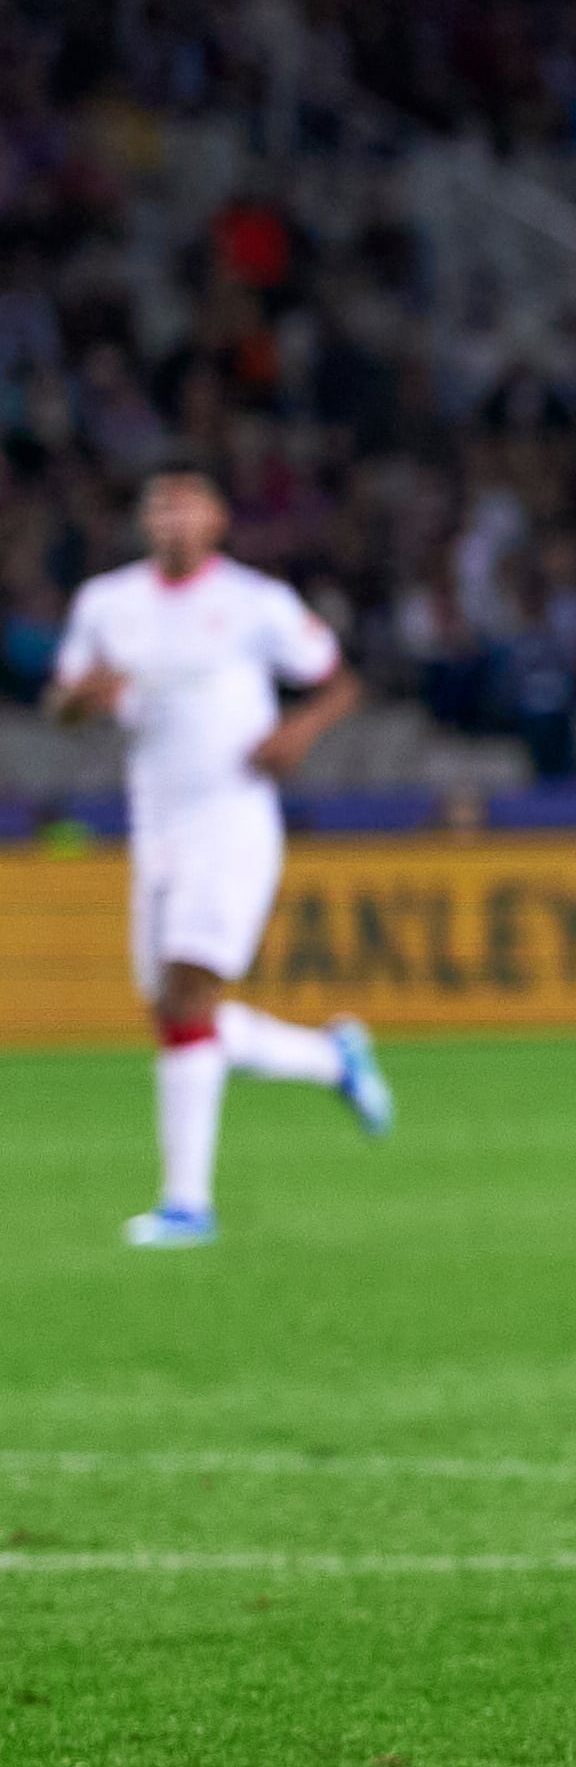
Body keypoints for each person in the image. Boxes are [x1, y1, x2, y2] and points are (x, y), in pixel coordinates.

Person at [48, 459, 394, 1246]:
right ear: (144, 523)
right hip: (156, 826)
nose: (170, 520)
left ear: (215, 521)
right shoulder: (108, 604)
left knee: (187, 994)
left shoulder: (254, 602)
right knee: (178, 1013)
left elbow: (339, 683)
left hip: (233, 821)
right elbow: (65, 701)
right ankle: (332, 1060)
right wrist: (79, 701)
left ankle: (186, 1205)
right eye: (158, 507)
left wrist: (295, 734)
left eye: (185, 506)